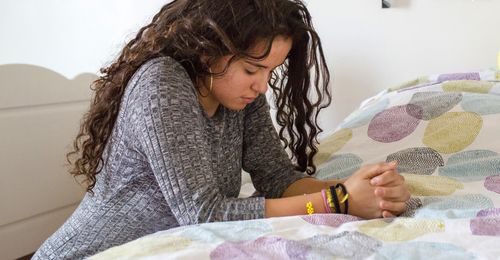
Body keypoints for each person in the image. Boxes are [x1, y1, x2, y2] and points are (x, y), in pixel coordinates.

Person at [33, 0, 410, 259]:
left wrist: (366, 191)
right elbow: (204, 214)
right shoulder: (161, 84)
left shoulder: (238, 97)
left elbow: (277, 178)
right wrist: (338, 202)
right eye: (251, 70)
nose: (262, 86)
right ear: (206, 50)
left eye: (270, 72)